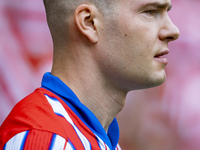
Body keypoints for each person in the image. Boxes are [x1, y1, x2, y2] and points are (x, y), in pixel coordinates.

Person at [0, 0, 179, 149]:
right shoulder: (45, 138)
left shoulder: (94, 138)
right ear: (89, 23)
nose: (173, 31)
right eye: (150, 12)